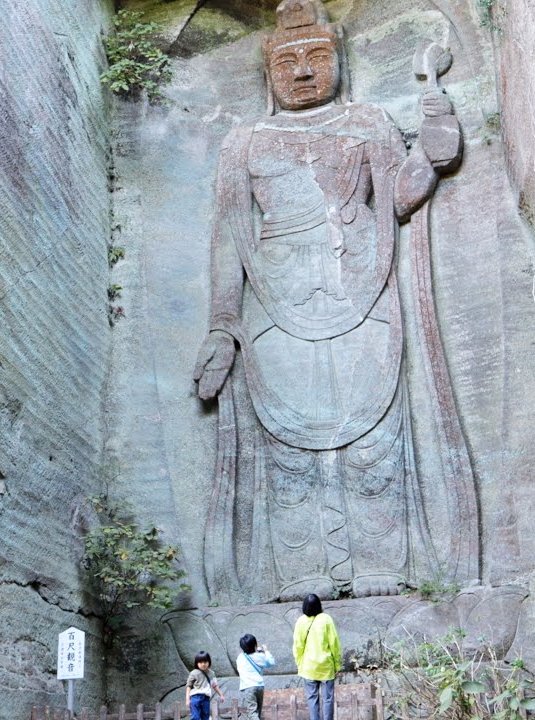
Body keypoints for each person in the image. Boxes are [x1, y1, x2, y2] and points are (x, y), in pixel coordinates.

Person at [196, 0, 477, 605]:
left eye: (317, 58)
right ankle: (300, 577)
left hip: (361, 291)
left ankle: (383, 566)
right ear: (269, 74)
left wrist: (428, 151)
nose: (302, 73)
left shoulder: (369, 123)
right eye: (288, 62)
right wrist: (223, 326)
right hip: (276, 303)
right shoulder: (245, 142)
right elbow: (229, 238)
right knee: (288, 448)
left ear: (340, 64)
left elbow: (397, 202)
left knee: (373, 439)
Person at [292, 594, 341, 720]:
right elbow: (334, 643)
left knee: (312, 698)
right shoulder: (326, 619)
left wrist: (299, 663)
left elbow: (298, 645)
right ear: (319, 605)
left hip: (308, 667)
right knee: (328, 699)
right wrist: (337, 665)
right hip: (326, 666)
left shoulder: (301, 621)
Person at [235, 633, 276, 720]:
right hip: (259, 686)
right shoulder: (260, 656)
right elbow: (271, 662)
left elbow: (246, 654)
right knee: (258, 710)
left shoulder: (240, 658)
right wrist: (266, 650)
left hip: (248, 687)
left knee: (252, 711)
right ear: (255, 645)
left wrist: (253, 649)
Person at [185, 651, 226, 720]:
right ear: (197, 663)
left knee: (205, 716)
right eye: (200, 662)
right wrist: (187, 699)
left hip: (206, 698)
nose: (203, 664)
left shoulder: (211, 673)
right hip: (195, 697)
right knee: (196, 716)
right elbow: (188, 686)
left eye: (205, 662)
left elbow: (215, 685)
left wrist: (221, 695)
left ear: (209, 662)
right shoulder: (193, 673)